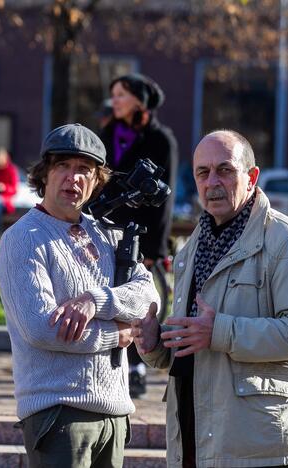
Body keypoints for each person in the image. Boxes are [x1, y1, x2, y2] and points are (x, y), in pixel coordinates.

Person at [132, 130, 288, 467]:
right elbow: (197, 338)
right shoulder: (193, 245)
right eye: (202, 173)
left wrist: (219, 332)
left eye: (225, 170)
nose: (212, 182)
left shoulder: (286, 240)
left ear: (251, 177)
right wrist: (157, 345)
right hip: (198, 439)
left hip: (263, 447)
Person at [0, 123, 160, 468]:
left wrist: (95, 301)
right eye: (63, 167)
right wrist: (116, 334)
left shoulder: (106, 234)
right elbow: (42, 329)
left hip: (115, 413)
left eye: (84, 170)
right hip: (58, 413)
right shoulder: (23, 238)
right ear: (45, 174)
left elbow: (148, 298)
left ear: (97, 180)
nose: (73, 178)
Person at [98, 72, 179, 398]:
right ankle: (109, 364)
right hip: (106, 230)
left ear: (139, 101)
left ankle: (137, 368)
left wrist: (153, 247)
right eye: (113, 94)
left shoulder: (161, 139)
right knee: (110, 300)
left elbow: (165, 199)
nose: (114, 100)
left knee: (140, 305)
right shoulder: (106, 133)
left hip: (140, 236)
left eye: (121, 94)